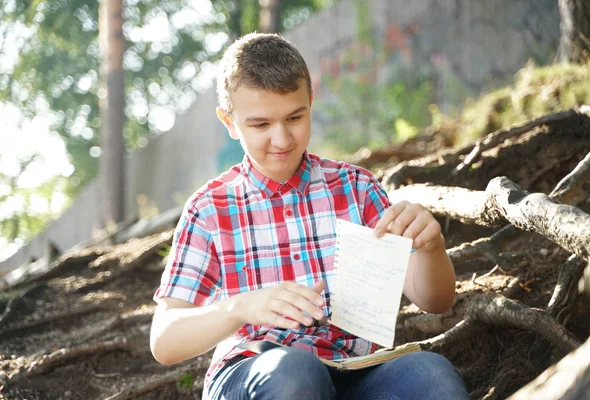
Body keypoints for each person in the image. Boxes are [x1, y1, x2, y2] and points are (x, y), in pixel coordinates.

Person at [150, 32, 469, 400]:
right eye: (260, 125)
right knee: (296, 373)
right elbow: (164, 340)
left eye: (295, 117)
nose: (282, 139)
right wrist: (240, 307)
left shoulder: (356, 187)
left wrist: (430, 248)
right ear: (229, 122)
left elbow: (435, 300)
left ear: (310, 101)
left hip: (359, 370)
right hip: (258, 372)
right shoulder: (210, 209)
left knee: (432, 374)